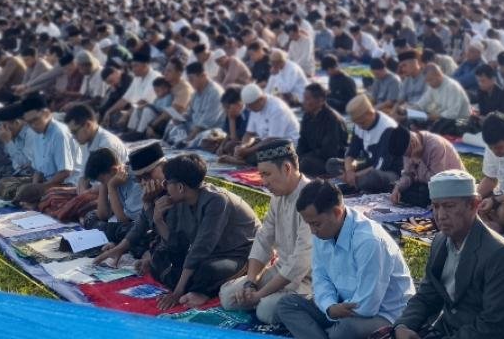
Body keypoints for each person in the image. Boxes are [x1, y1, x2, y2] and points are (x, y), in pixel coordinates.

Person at [276, 180, 414, 339]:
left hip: (384, 314)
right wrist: (329, 307)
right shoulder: (321, 233)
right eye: (309, 225)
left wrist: (335, 312)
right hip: (340, 308)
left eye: (316, 224)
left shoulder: (369, 241)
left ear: (336, 212)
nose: (312, 231)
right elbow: (320, 278)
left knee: (343, 331)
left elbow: (367, 306)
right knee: (287, 305)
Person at [390, 170, 504, 339]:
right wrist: (403, 325)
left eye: (449, 206)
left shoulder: (499, 254)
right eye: (436, 206)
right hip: (445, 330)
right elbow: (427, 296)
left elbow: (493, 324)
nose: (441, 215)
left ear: (474, 205)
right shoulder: (440, 241)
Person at [220, 140, 312, 324]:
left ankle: (276, 301)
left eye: (267, 174)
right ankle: (267, 297)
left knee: (265, 311)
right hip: (281, 270)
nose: (264, 182)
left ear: (287, 168)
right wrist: (251, 282)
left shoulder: (312, 198)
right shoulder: (278, 196)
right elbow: (263, 239)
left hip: (311, 280)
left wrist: (259, 294)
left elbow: (299, 263)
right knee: (228, 296)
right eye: (261, 175)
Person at [151, 154, 260, 310]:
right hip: (210, 254)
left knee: (207, 270)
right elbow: (176, 244)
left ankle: (197, 289)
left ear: (180, 187)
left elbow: (201, 248)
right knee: (160, 257)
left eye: (167, 183)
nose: (164, 187)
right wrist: (158, 220)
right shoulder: (179, 201)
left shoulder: (217, 201)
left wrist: (177, 292)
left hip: (240, 253)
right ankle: (194, 286)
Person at [326, 94, 402, 194]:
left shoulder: (388, 128)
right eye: (357, 123)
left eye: (362, 123)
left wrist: (355, 175)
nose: (360, 127)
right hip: (368, 164)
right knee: (332, 163)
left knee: (372, 177)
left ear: (370, 113)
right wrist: (349, 172)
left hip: (389, 171)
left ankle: (352, 184)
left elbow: (379, 166)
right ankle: (354, 184)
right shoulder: (359, 125)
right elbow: (351, 153)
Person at [13, 93, 77, 209]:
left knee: (47, 200)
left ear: (47, 113)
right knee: (13, 188)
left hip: (67, 183)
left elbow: (66, 172)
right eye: (29, 123)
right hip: (47, 182)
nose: (33, 125)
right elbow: (39, 170)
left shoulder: (59, 133)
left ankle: (35, 204)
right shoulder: (36, 132)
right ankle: (32, 203)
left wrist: (41, 189)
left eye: (35, 120)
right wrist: (35, 187)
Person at [388, 126, 464, 207]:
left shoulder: (436, 146)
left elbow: (436, 181)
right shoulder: (408, 148)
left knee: (424, 194)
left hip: (452, 186)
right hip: (428, 185)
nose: (408, 158)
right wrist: (398, 188)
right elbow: (408, 174)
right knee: (396, 187)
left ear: (413, 143)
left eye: (409, 154)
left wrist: (419, 161)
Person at [82, 146, 143, 242]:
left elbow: (124, 222)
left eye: (102, 180)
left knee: (118, 231)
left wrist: (111, 187)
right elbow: (103, 215)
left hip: (136, 227)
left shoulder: (135, 183)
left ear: (114, 170)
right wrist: (104, 185)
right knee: (90, 217)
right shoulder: (114, 178)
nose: (103, 183)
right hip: (124, 223)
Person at [64, 103, 128, 193]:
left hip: (112, 194)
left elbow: (105, 183)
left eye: (75, 132)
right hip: (94, 190)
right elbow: (84, 175)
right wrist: (82, 184)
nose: (73, 136)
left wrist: (84, 193)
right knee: (51, 195)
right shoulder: (87, 141)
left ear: (87, 125)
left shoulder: (107, 145)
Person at [231, 83, 301, 164]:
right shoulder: (254, 108)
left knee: (254, 157)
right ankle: (241, 159)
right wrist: (243, 147)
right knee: (233, 147)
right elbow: (249, 134)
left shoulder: (277, 109)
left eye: (251, 106)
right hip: (266, 142)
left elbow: (273, 139)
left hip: (287, 147)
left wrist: (247, 151)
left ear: (260, 100)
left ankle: (239, 161)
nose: (249, 109)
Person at [297, 82, 348, 176]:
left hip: (330, 160)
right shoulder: (307, 116)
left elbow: (329, 151)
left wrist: (305, 157)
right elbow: (302, 141)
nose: (303, 102)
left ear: (320, 100)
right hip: (312, 156)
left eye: (307, 99)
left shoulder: (333, 119)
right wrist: (297, 156)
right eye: (304, 98)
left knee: (305, 164)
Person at [408, 62, 471, 129]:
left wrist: (435, 116)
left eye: (430, 80)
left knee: (441, 128)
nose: (429, 83)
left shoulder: (452, 87)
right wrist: (408, 111)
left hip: (462, 119)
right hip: (443, 117)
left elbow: (452, 113)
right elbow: (422, 103)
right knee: (412, 120)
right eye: (427, 81)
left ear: (439, 75)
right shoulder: (432, 87)